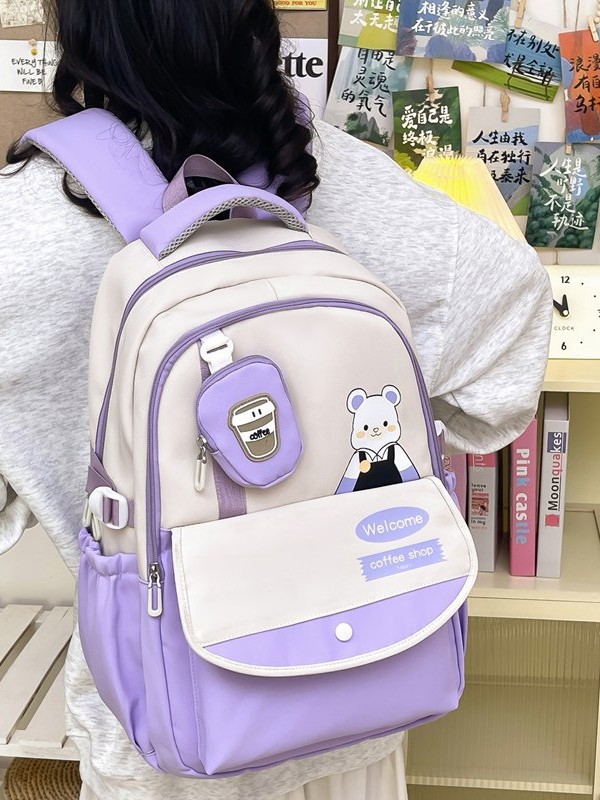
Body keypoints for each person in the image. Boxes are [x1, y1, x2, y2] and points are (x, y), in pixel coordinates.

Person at [0, 1, 551, 798]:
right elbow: (503, 382)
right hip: (367, 698)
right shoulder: (356, 181)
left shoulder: (15, 230)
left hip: (168, 736)